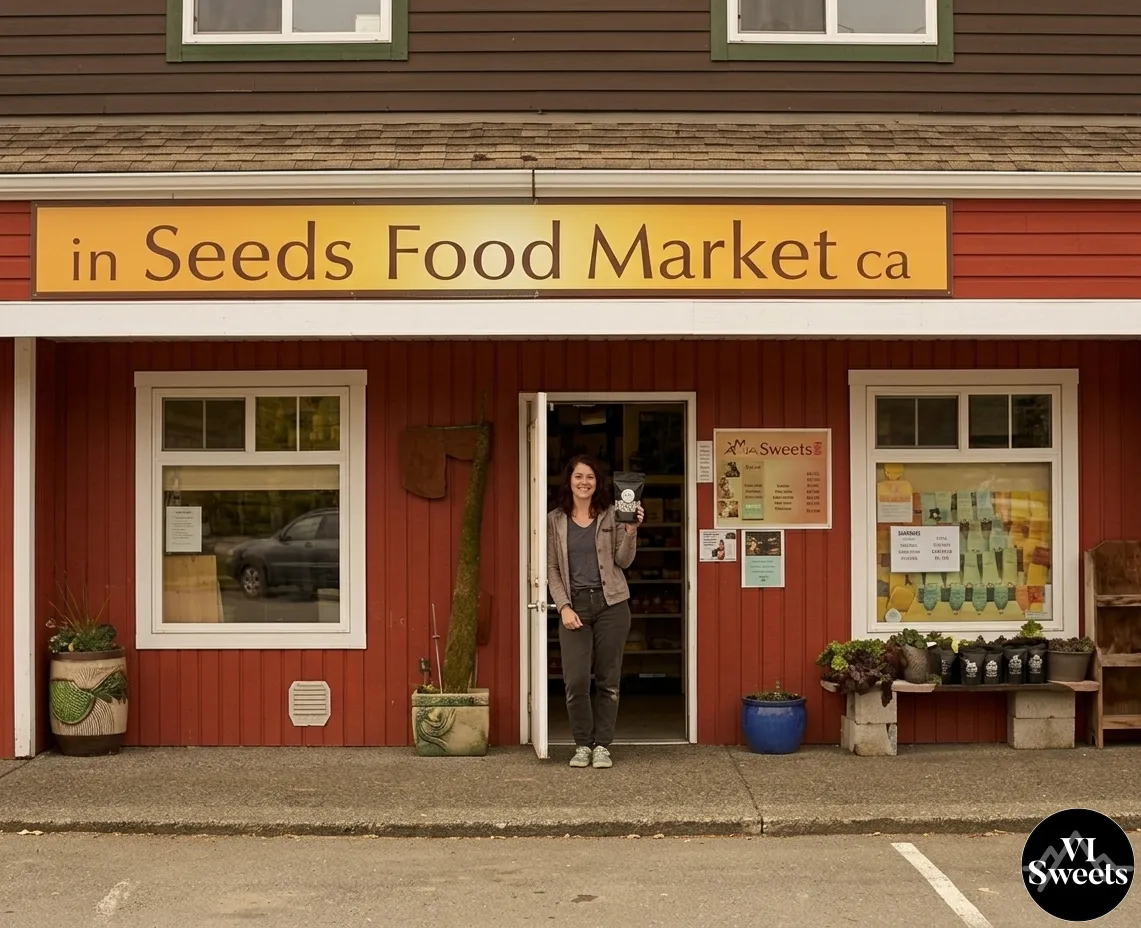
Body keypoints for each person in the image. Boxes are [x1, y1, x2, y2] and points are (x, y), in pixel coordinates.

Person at [547, 454, 644, 769]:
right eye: (578, 476)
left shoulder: (613, 515)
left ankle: (602, 745)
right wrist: (562, 606)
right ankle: (582, 745)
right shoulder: (555, 520)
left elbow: (624, 561)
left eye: (589, 477)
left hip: (611, 605)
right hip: (575, 607)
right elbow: (551, 569)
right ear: (569, 481)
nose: (584, 482)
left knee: (608, 679)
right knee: (575, 681)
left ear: (597, 482)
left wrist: (631, 531)